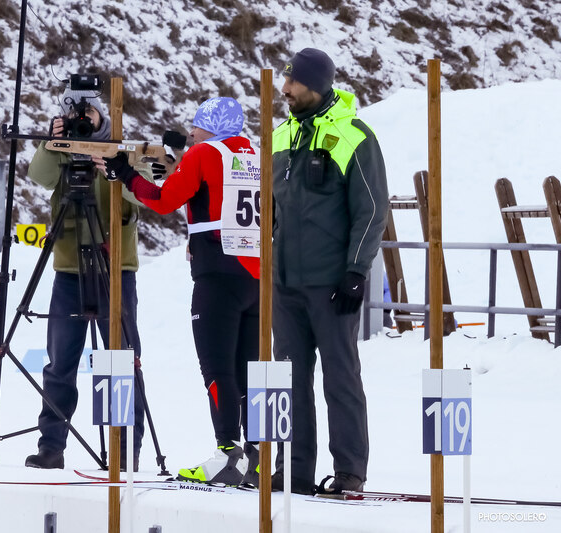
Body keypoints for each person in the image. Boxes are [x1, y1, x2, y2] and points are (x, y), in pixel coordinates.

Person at [100, 97, 261, 486]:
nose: (191, 133)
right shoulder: (255, 153)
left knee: (218, 369)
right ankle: (256, 457)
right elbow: (215, 194)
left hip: (216, 273)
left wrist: (125, 173)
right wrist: (177, 166)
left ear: (212, 128)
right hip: (256, 274)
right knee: (250, 371)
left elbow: (162, 199)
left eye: (197, 125)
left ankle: (227, 453)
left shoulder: (203, 153)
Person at [270, 48, 389, 494]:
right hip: (286, 284)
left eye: (293, 82)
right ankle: (294, 470)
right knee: (289, 379)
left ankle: (350, 471)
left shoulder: (354, 136)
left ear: (316, 86)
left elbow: (372, 209)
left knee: (340, 377)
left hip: (332, 283)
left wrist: (356, 271)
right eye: (285, 80)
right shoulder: (280, 136)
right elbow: (272, 209)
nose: (285, 89)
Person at [23, 86, 146, 470]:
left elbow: (146, 193)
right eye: (74, 113)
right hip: (69, 270)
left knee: (121, 360)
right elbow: (39, 176)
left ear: (101, 113)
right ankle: (51, 446)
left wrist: (116, 166)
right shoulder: (60, 149)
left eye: (87, 113)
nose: (82, 119)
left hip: (116, 268)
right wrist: (52, 143)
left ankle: (126, 449)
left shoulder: (121, 147)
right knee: (60, 363)